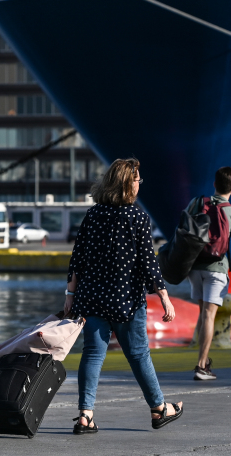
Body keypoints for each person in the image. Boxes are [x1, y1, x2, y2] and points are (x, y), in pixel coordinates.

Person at [65, 158, 183, 434]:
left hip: (92, 298)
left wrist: (70, 295)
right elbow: (147, 262)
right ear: (127, 184)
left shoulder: (93, 215)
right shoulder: (137, 217)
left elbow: (77, 258)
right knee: (139, 354)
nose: (140, 184)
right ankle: (158, 409)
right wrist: (165, 296)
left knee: (92, 355)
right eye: (137, 180)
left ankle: (85, 415)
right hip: (126, 300)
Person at [186, 166, 231, 381]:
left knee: (203, 315)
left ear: (214, 184)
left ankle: (204, 360)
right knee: (209, 315)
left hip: (195, 268)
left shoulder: (197, 203)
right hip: (217, 269)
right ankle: (202, 365)